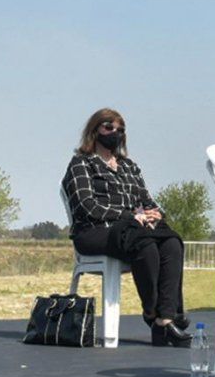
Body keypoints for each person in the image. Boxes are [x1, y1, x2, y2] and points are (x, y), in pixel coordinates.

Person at [62, 108, 191, 347]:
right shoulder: (81, 163)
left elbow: (147, 200)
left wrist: (154, 213)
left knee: (172, 242)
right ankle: (154, 315)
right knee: (145, 244)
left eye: (120, 129)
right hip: (95, 231)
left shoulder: (129, 166)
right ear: (95, 130)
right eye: (109, 127)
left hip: (132, 230)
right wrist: (129, 215)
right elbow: (87, 206)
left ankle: (166, 318)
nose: (116, 133)